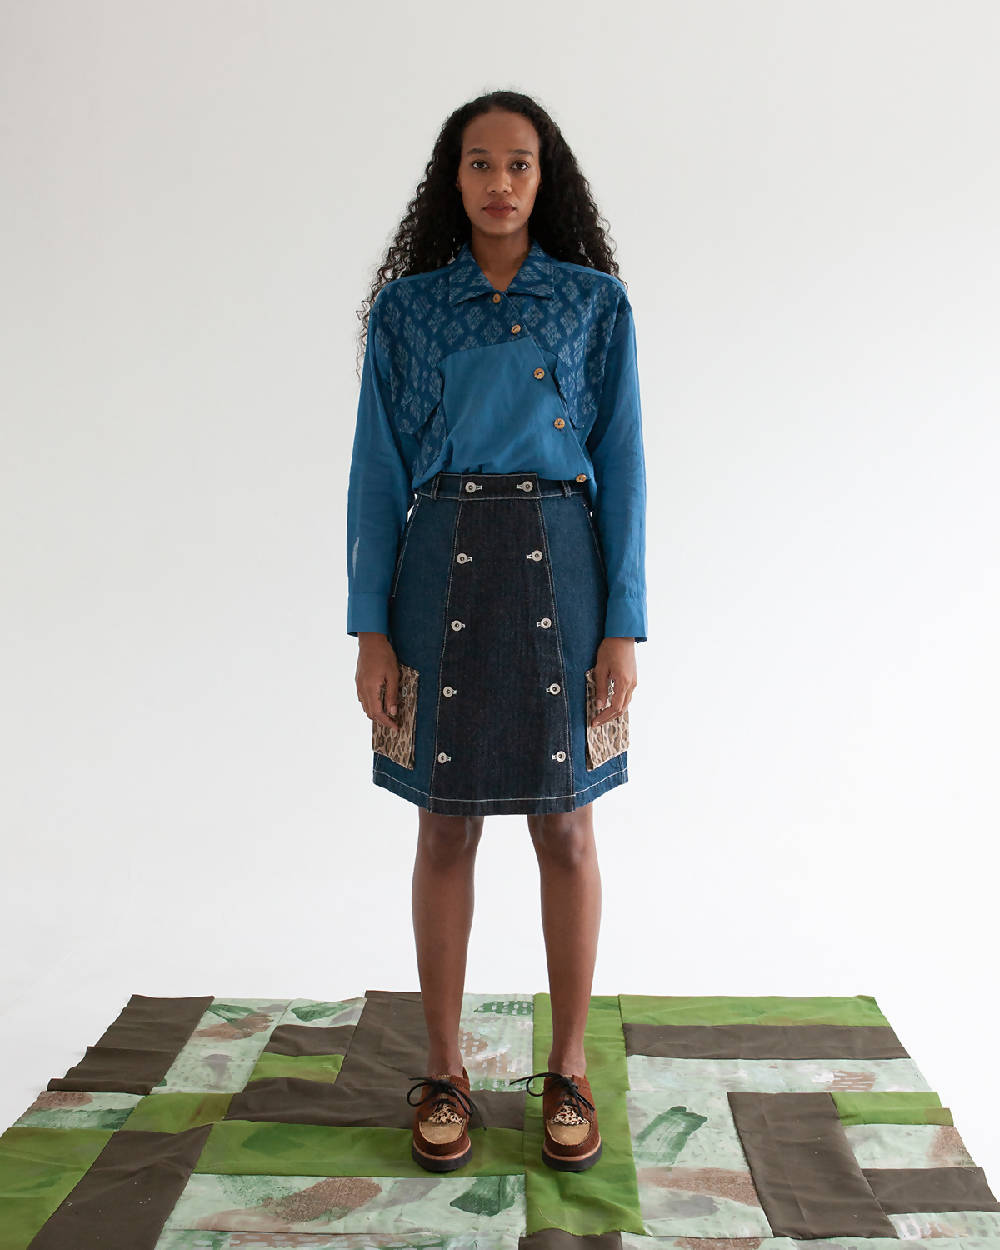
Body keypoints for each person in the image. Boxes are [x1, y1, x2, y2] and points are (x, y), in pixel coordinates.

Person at [346, 90, 648, 1175]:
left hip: (566, 568)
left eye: (519, 163)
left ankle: (566, 1069)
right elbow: (376, 472)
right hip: (438, 567)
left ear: (544, 177)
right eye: (480, 162)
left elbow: (625, 466)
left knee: (566, 827)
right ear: (454, 178)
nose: (500, 182)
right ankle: (445, 1070)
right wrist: (370, 630)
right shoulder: (408, 310)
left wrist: (623, 626)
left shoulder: (596, 302)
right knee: (443, 826)